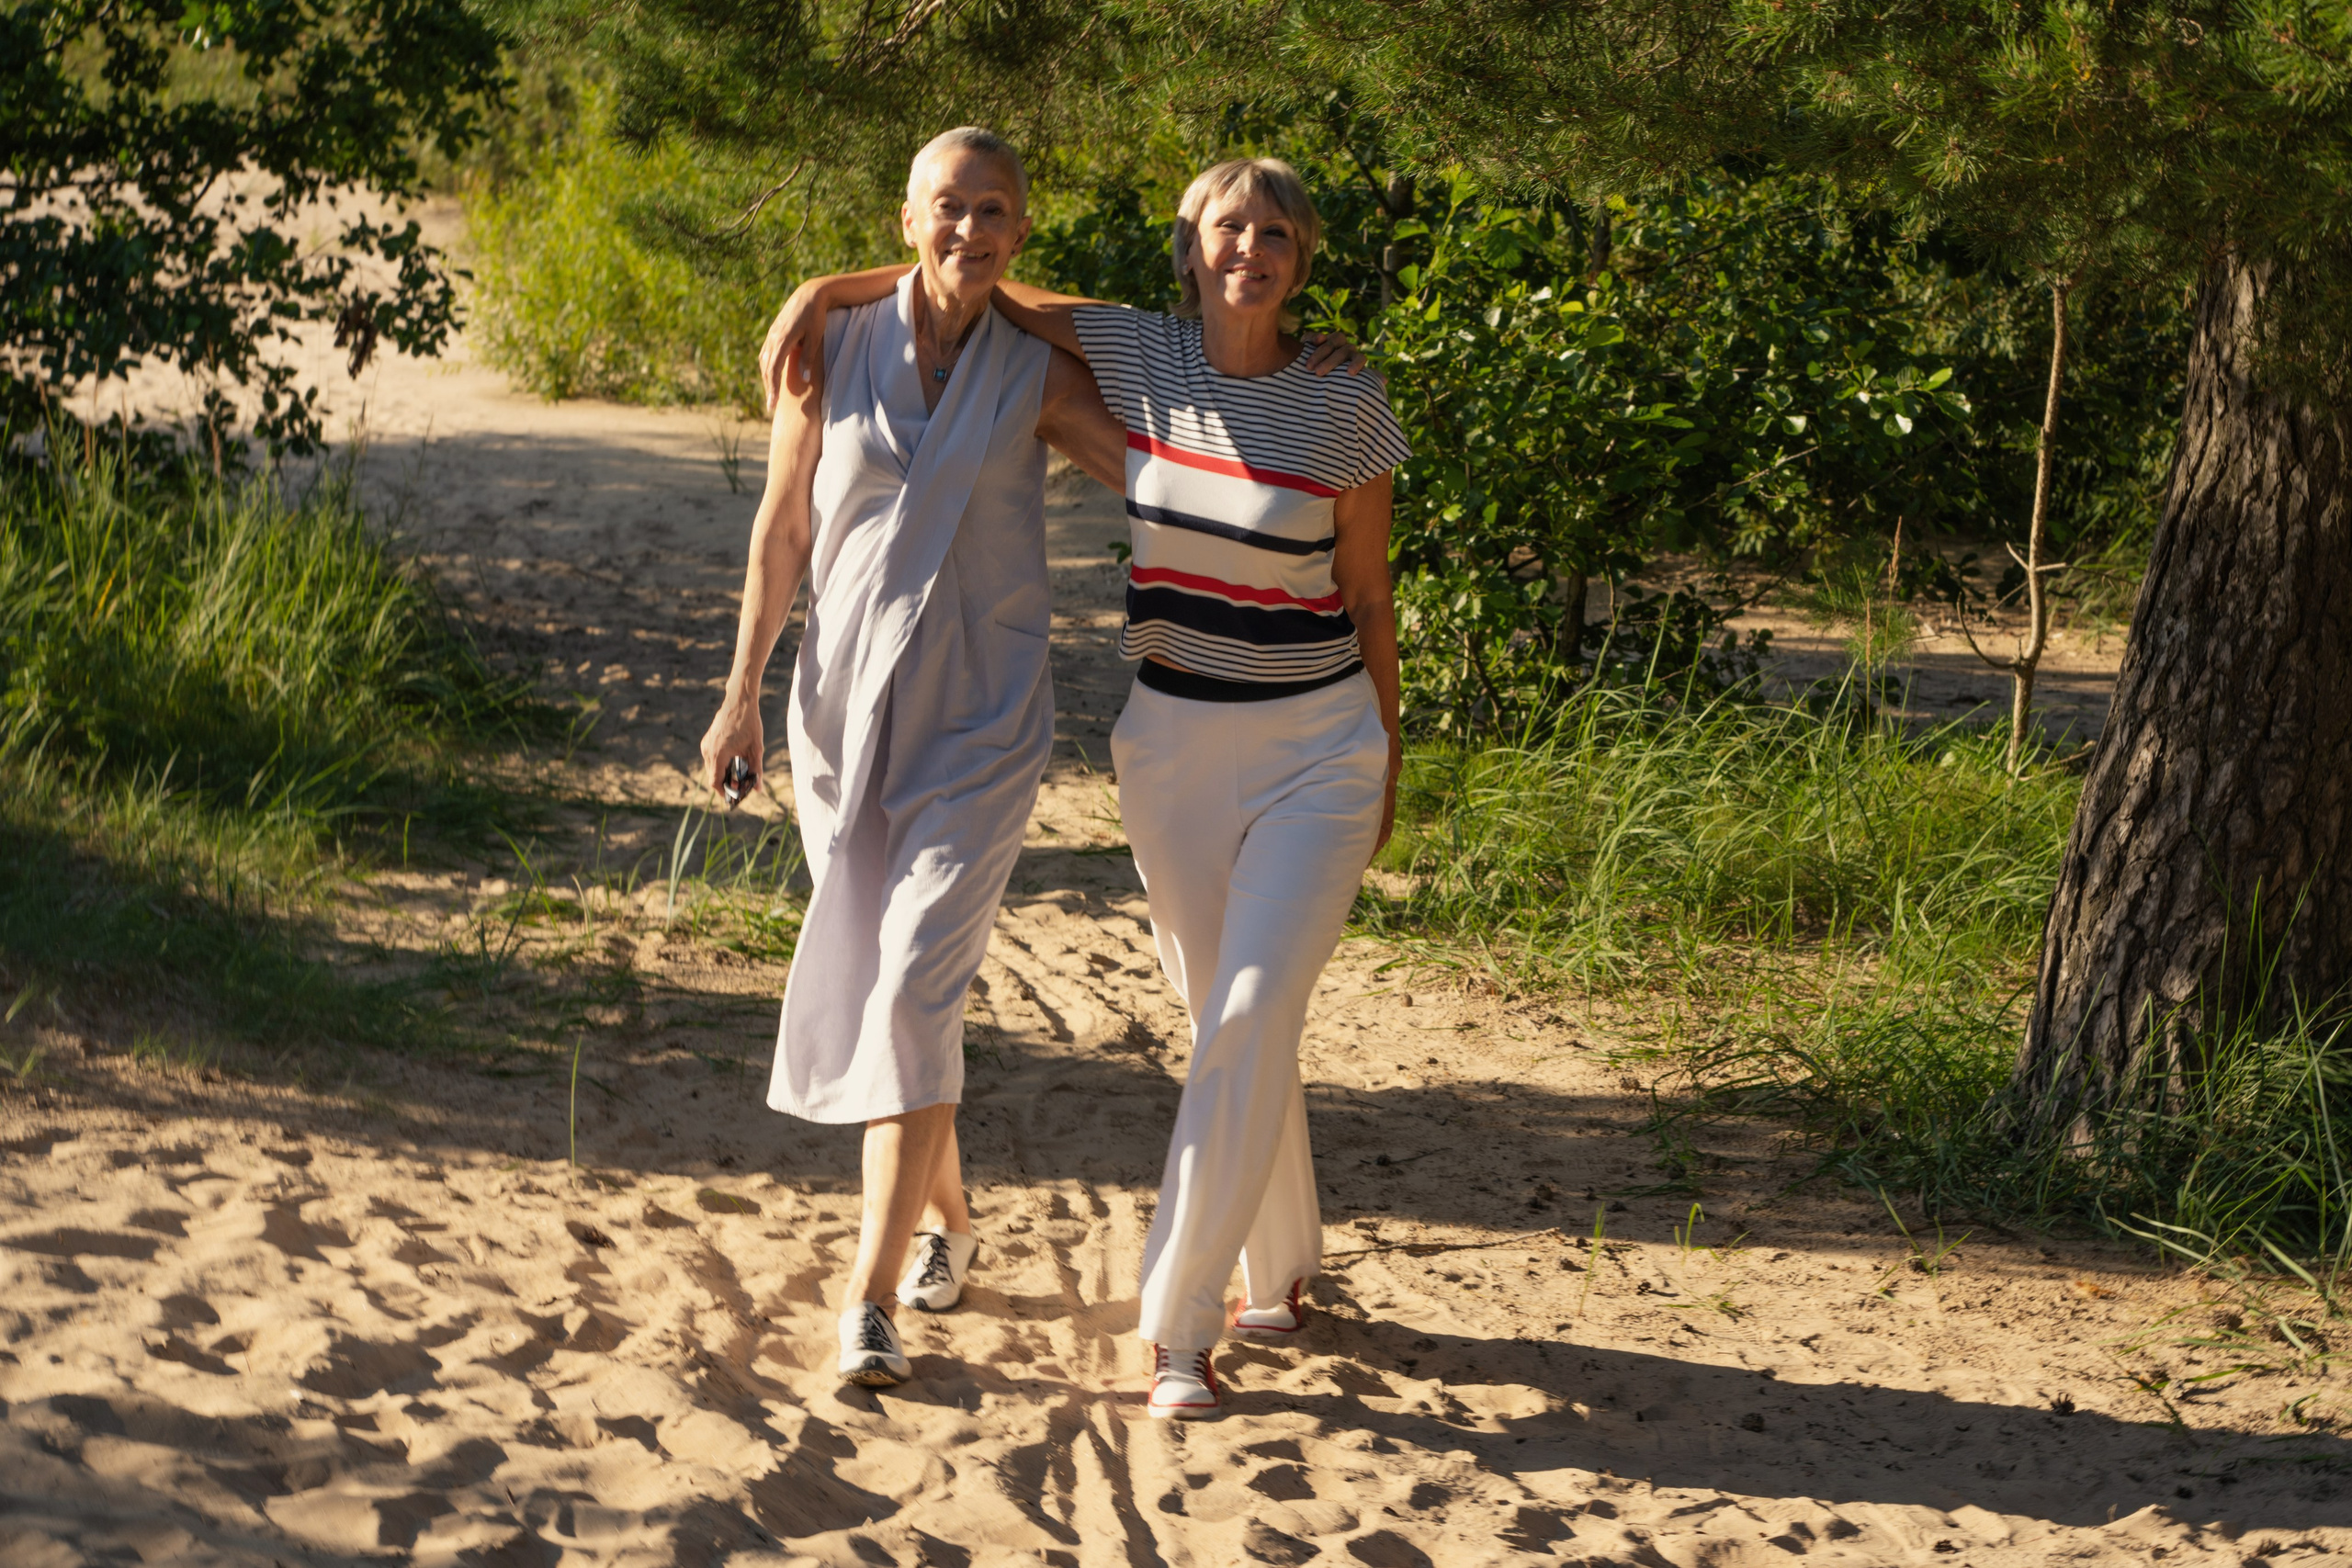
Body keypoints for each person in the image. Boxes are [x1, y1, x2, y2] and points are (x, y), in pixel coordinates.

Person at [762, 157, 1408, 1419]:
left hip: (1320, 746)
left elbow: (1372, 596)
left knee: (1246, 1016)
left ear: (1304, 258)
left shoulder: (1348, 404)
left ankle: (1177, 1332)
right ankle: (1282, 1262)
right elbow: (967, 275)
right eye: (1231, 226)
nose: (1252, 250)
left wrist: (1390, 756)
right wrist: (819, 286)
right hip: (1174, 744)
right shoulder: (1134, 354)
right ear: (1190, 244)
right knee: (1224, 1008)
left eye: (1279, 232)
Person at [699, 126, 1128, 1389]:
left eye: (996, 210)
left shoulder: (1033, 372)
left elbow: (1162, 455)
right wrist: (739, 697)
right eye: (949, 207)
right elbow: (782, 528)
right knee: (884, 973)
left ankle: (869, 1298)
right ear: (905, 217)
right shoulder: (829, 349)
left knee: (912, 984)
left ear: (1022, 232)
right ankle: (946, 1218)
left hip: (982, 718)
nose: (970, 229)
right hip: (841, 712)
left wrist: (1297, 426)